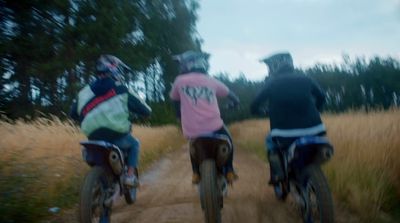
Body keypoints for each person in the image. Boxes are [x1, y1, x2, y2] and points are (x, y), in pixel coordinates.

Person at [70, 54, 152, 187]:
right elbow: (146, 110)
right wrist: (143, 113)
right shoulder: (122, 89)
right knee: (134, 144)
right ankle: (130, 177)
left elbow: (73, 113)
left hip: (92, 138)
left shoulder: (83, 92)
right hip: (116, 136)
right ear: (116, 70)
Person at [250, 52, 326, 185]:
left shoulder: (271, 82)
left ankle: (278, 175)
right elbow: (321, 97)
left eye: (269, 66)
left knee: (270, 142)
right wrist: (316, 110)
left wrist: (261, 112)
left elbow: (254, 104)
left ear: (274, 66)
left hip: (284, 133)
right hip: (316, 130)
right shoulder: (306, 78)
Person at [169, 50, 240, 184]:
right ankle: (229, 169)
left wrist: (179, 117)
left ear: (187, 65)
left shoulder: (179, 81)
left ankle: (195, 172)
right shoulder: (211, 81)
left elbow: (174, 100)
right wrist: (234, 104)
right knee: (228, 140)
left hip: (192, 129)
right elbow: (232, 95)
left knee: (193, 146)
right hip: (214, 126)